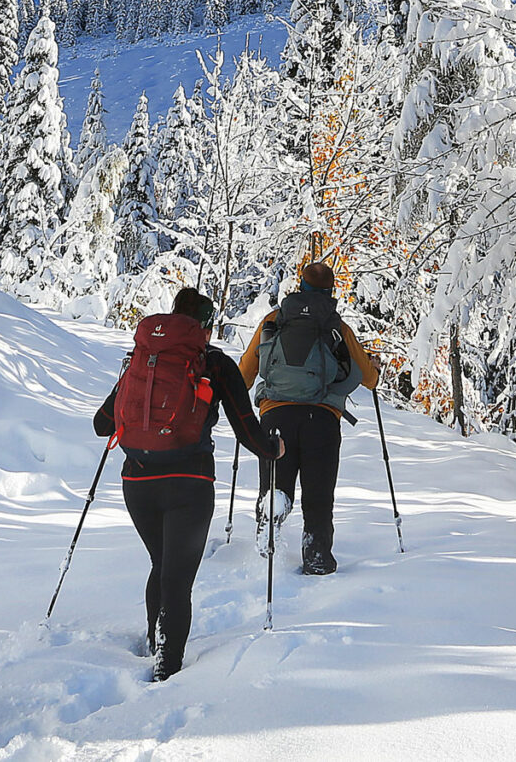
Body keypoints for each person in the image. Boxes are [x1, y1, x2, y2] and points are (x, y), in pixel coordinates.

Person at [90, 285, 279, 680]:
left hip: (137, 482)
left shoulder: (143, 359)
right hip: (188, 484)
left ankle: (154, 641)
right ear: (206, 328)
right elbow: (246, 429)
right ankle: (167, 668)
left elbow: (102, 424)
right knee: (177, 578)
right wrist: (272, 448)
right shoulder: (214, 363)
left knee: (161, 564)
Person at [240, 259, 379, 576]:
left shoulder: (274, 320)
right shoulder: (336, 326)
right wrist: (373, 368)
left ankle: (266, 546)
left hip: (276, 416)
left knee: (275, 488)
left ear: (299, 286)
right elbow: (369, 379)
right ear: (330, 291)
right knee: (318, 495)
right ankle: (317, 557)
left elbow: (245, 373)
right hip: (322, 419)